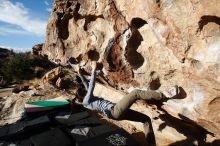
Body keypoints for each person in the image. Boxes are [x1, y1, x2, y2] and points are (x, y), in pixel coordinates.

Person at [70, 61, 180, 145]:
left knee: (145, 119)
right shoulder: (86, 101)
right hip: (114, 111)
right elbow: (91, 86)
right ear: (84, 95)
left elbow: (87, 85)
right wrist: (93, 70)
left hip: (115, 112)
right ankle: (164, 95)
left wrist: (79, 72)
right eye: (85, 91)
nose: (87, 89)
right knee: (135, 93)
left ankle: (151, 144)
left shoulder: (86, 98)